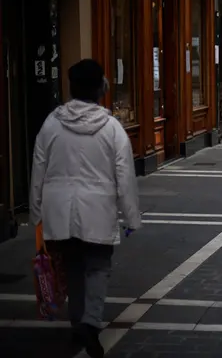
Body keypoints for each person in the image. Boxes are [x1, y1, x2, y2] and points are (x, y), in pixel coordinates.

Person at [29, 59, 141, 358]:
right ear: (101, 89)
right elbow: (125, 176)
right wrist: (130, 217)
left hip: (59, 211)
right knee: (98, 267)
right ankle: (90, 322)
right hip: (98, 211)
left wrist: (36, 213)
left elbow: (38, 170)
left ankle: (78, 322)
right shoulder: (112, 129)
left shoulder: (51, 124)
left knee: (73, 267)